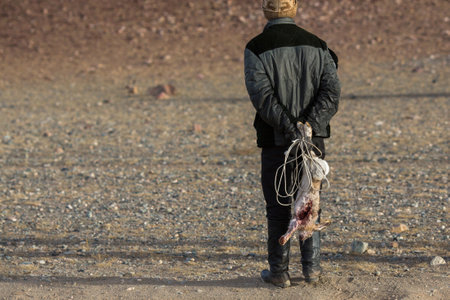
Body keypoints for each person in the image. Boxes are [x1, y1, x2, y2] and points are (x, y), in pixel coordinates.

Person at [244, 0, 341, 288]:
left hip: (277, 143)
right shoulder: (319, 45)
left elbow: (261, 96)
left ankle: (279, 273)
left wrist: (290, 128)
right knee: (310, 205)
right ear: (294, 7)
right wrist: (308, 126)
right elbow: (331, 92)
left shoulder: (256, 48)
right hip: (313, 143)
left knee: (278, 207)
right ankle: (312, 271)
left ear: (265, 9)